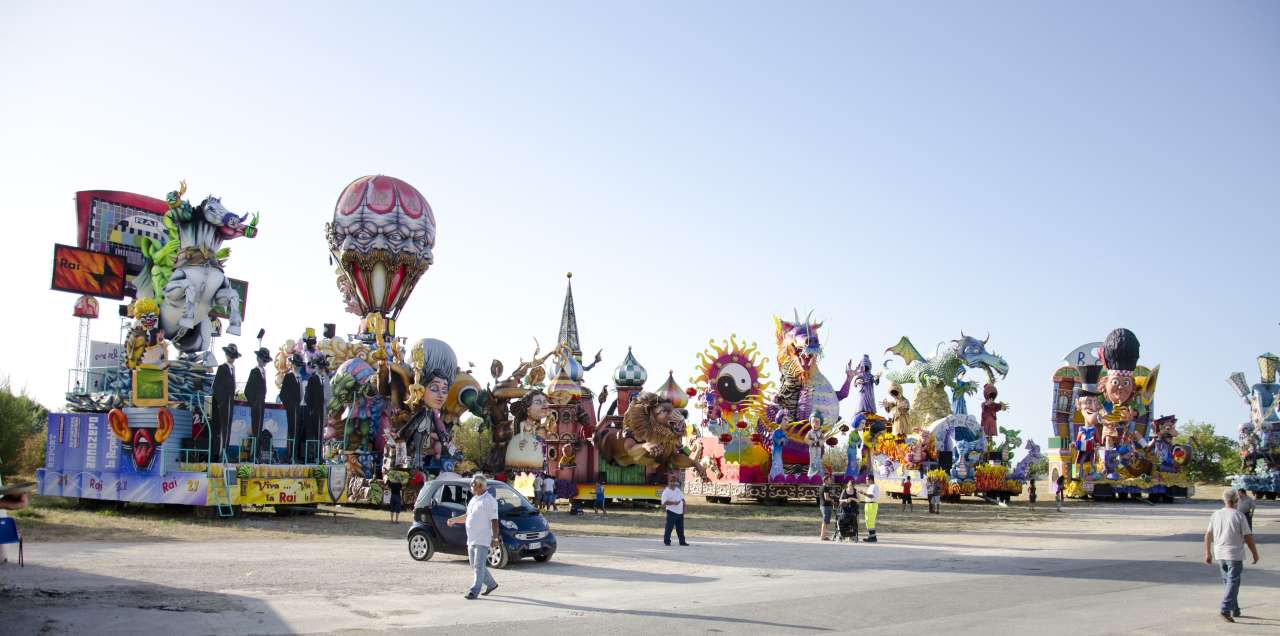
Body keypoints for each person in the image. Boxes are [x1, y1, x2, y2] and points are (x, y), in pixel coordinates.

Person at [1204, 488, 1260, 622]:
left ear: (1224, 500)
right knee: (1233, 582)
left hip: (1220, 553)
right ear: (1236, 500)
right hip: (1234, 553)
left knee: (1229, 582)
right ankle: (1225, 609)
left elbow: (1208, 535)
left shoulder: (1216, 514)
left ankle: (1234, 608)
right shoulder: (1239, 515)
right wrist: (1255, 554)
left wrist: (1208, 552)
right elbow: (1248, 537)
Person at [446, 474, 501, 600]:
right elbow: (467, 516)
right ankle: (491, 584)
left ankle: (474, 591)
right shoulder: (474, 499)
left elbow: (494, 521)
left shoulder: (489, 501)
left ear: (480, 486)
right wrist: (454, 520)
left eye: (473, 484)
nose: (471, 486)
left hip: (483, 539)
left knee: (478, 565)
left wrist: (495, 537)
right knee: (474, 565)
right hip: (471, 538)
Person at [661, 475, 688, 546]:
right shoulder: (666, 492)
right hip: (671, 513)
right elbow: (664, 503)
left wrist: (684, 508)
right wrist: (673, 503)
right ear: (669, 482)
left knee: (680, 529)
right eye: (671, 481)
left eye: (674, 481)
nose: (673, 483)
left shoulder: (678, 490)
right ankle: (667, 541)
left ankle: (682, 542)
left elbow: (683, 500)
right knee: (669, 528)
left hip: (680, 513)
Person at [817, 474, 837, 540]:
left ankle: (824, 536)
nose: (830, 480)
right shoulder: (825, 488)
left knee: (825, 521)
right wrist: (832, 500)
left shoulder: (821, 487)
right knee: (825, 521)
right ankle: (822, 536)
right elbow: (826, 498)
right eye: (829, 479)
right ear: (825, 481)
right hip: (825, 506)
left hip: (823, 506)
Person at [864, 475, 880, 543]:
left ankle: (873, 537)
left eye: (867, 479)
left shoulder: (873, 486)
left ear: (871, 480)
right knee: (868, 521)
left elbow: (872, 496)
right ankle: (872, 536)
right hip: (869, 504)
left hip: (872, 505)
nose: (866, 481)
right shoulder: (871, 486)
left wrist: (863, 493)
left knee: (870, 521)